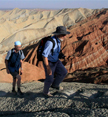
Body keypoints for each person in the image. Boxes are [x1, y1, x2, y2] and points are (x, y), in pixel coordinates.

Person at [42, 26, 70, 97]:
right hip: (49, 62)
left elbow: (54, 51)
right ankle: (46, 92)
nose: (65, 36)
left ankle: (55, 85)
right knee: (50, 78)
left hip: (56, 61)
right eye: (63, 35)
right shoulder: (50, 42)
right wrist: (48, 67)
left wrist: (60, 55)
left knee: (63, 72)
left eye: (65, 34)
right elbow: (44, 55)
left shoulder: (58, 41)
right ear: (58, 34)